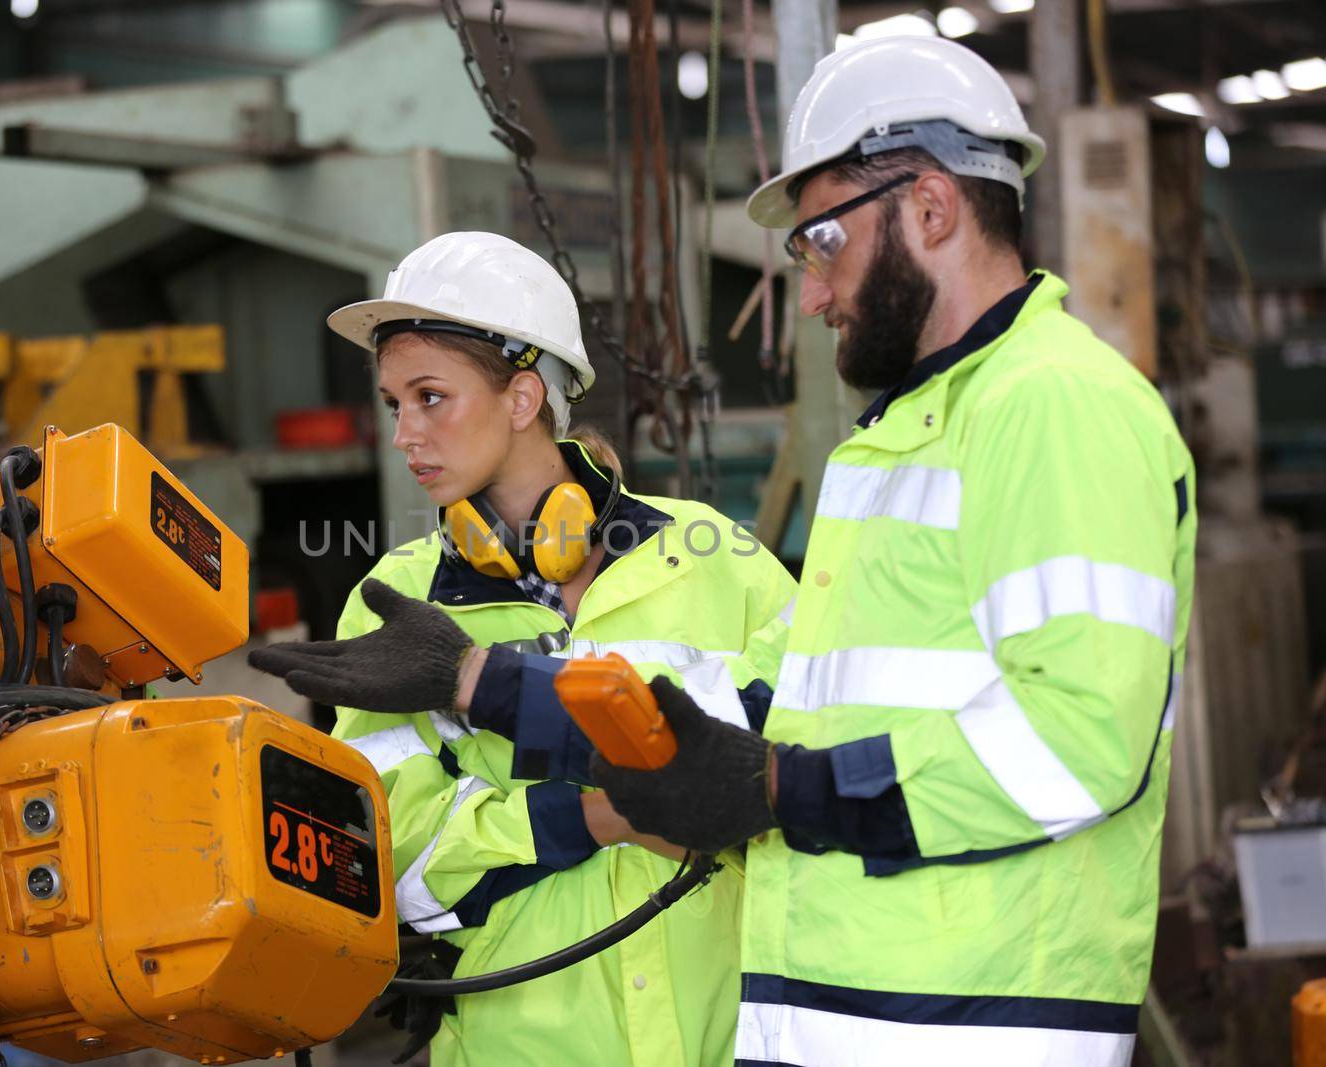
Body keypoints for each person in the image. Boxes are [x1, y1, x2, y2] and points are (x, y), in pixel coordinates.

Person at [590, 37, 1197, 1067]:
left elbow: (1078, 735)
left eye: (822, 240)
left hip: (972, 1031)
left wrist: (785, 790)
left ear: (928, 209)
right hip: (857, 1018)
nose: (814, 292)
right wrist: (505, 689)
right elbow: (816, 697)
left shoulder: (1052, 406)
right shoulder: (903, 436)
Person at [249, 231, 796, 1067]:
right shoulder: (398, 603)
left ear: (523, 397)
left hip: (731, 1035)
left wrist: (510, 821)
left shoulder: (713, 555)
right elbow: (392, 861)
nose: (405, 434)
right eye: (394, 401)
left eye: (432, 396)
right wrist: (604, 812)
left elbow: (800, 765)